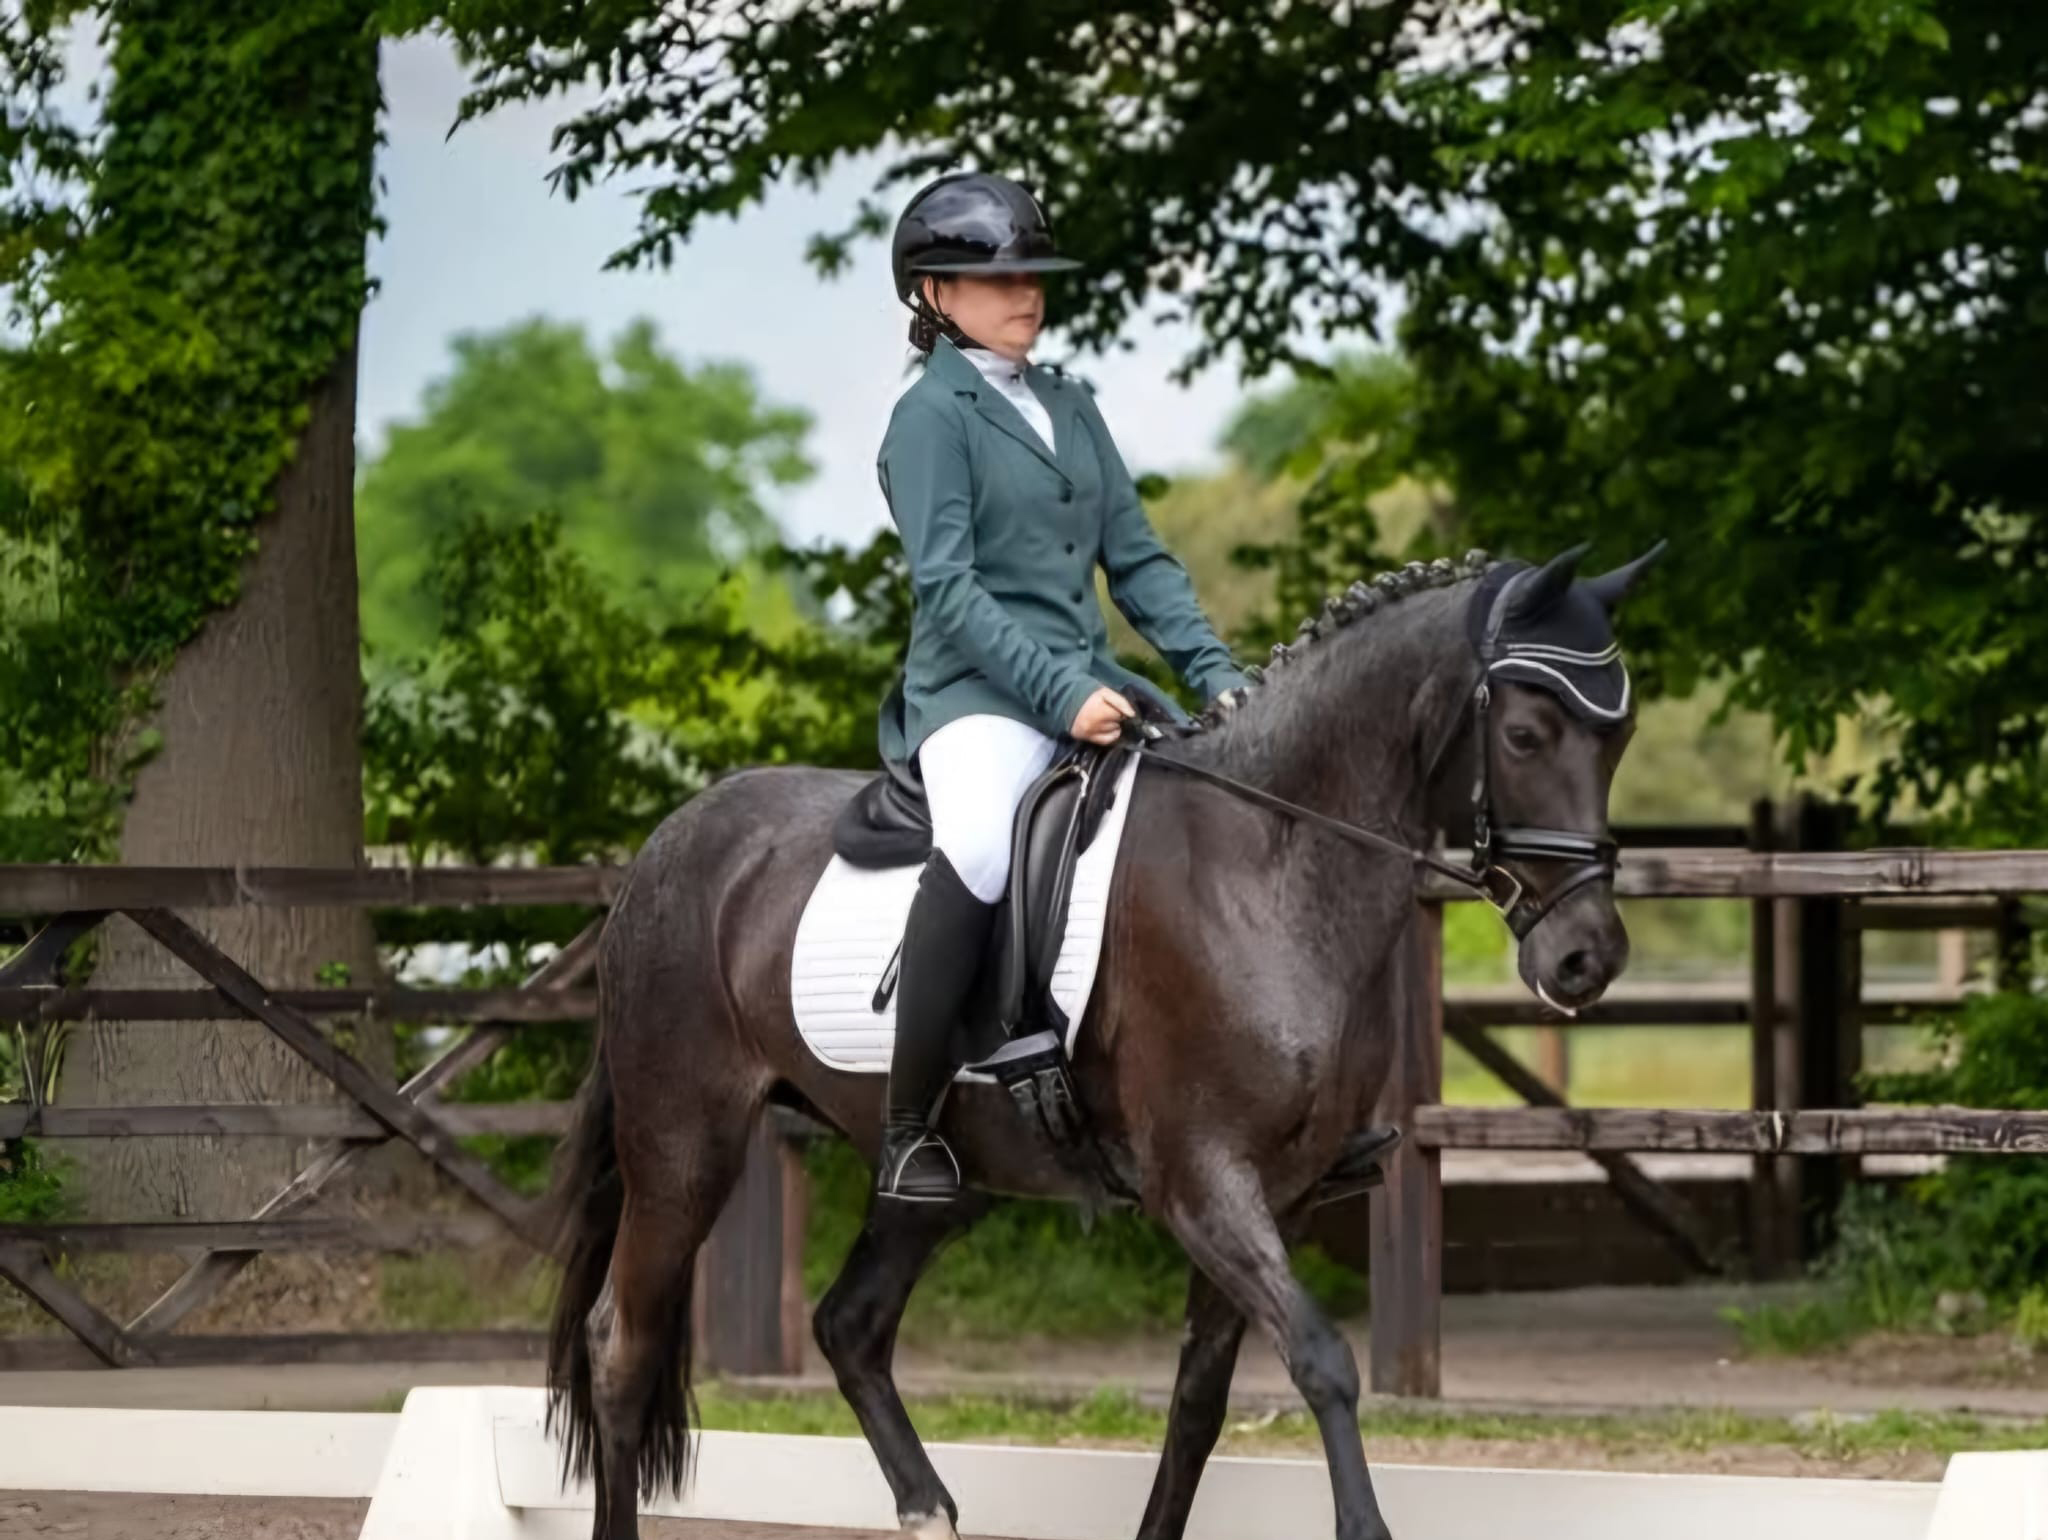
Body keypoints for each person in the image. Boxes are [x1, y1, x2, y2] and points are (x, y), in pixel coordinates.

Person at [872, 170, 1253, 1202]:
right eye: (996, 279)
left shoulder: (1069, 406)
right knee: (982, 845)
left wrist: (1215, 678)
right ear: (935, 295)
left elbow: (1136, 561)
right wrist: (1054, 695)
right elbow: (946, 590)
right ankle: (908, 1127)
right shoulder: (928, 419)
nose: (1025, 293)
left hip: (1090, 682)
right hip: (975, 698)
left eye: (1032, 274)